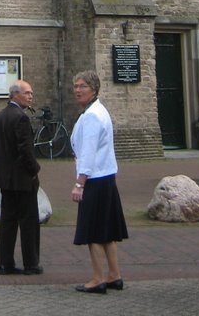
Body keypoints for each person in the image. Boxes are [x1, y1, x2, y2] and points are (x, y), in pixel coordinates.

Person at [70, 70, 128, 294]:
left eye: (82, 86)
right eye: (75, 86)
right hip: (106, 178)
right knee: (107, 229)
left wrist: (79, 183)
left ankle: (97, 278)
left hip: (94, 179)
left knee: (93, 230)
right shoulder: (97, 110)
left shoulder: (93, 115)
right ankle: (114, 275)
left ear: (94, 89)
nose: (77, 90)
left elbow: (88, 152)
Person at [0, 80, 42, 275]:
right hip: (21, 179)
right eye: (27, 93)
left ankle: (5, 262)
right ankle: (31, 263)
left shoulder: (0, 116)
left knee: (8, 222)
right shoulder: (21, 118)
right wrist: (34, 169)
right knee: (29, 222)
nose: (30, 96)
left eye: (31, 93)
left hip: (5, 179)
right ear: (15, 94)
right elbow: (25, 150)